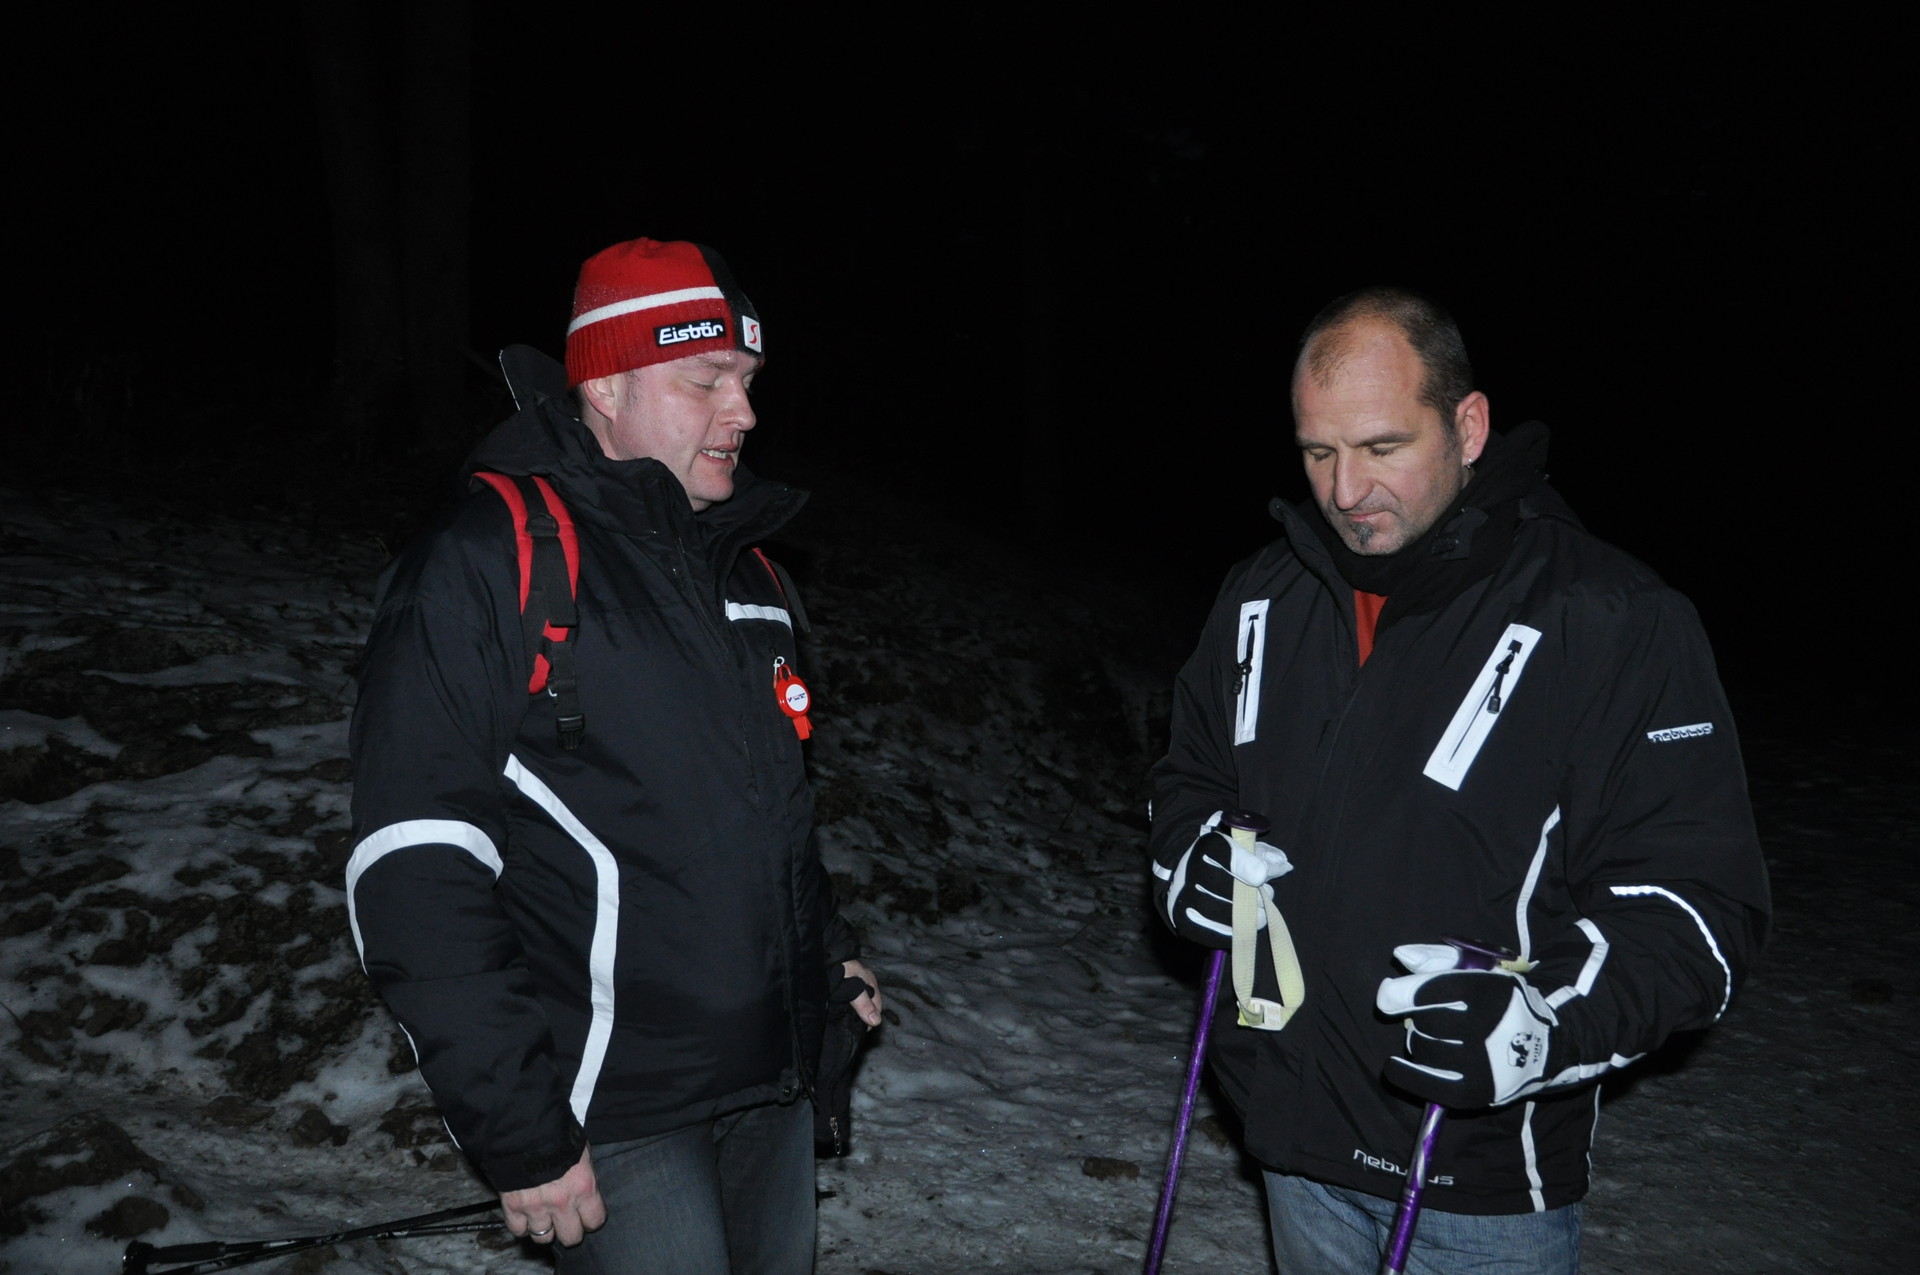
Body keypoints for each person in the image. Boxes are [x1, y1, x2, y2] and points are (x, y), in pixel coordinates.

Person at [1150, 287, 1770, 1272]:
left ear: (1469, 427)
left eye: (1382, 446)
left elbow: (1697, 907)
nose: (1345, 490)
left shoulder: (1608, 617)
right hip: (1291, 1134)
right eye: (1318, 452)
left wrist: (1543, 1026)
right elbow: (1191, 775)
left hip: (1475, 1176)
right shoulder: (1264, 593)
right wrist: (1189, 856)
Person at [347, 237, 881, 1274]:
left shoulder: (752, 573)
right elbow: (414, 861)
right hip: (613, 1107)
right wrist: (518, 1122)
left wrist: (825, 958)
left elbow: (769, 814)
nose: (744, 412)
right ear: (605, 385)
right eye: (706, 381)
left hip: (768, 1083)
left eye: (749, 379)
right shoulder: (489, 561)